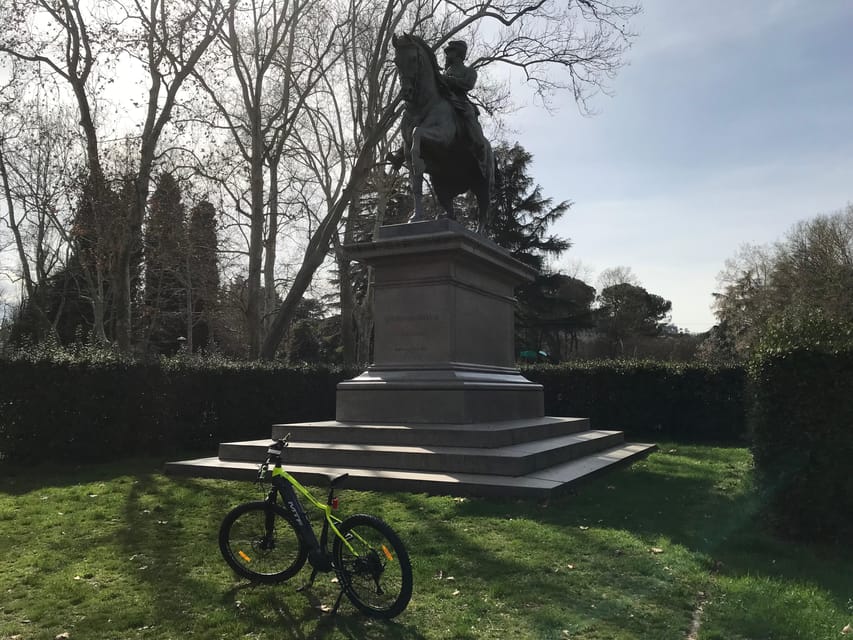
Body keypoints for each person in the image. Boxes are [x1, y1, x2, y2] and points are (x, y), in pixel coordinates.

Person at [442, 40, 485, 157]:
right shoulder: (445, 73)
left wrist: (451, 80)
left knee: (469, 113)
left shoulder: (469, 71)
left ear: (458, 53)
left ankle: (478, 144)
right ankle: (401, 154)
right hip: (444, 99)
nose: (447, 55)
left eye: (450, 52)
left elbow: (468, 84)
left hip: (460, 101)